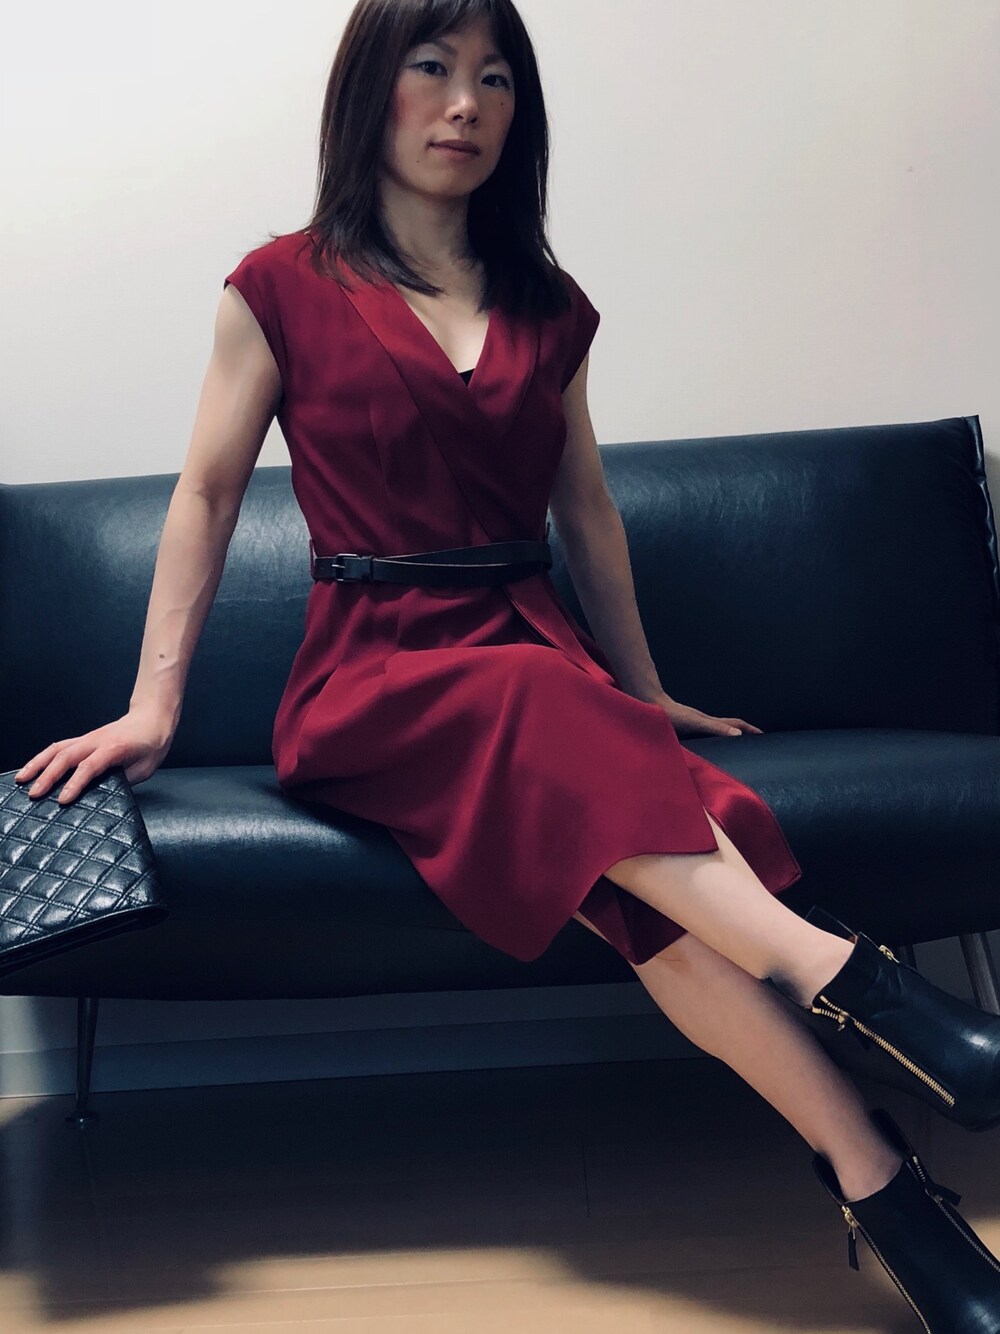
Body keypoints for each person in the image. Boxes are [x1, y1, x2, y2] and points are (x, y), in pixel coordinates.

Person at [14, 1, 1000, 1324]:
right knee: (560, 722)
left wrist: (643, 693)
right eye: (432, 67)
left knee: (646, 868)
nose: (466, 102)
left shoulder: (550, 305)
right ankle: (858, 984)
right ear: (371, 89)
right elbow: (204, 495)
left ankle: (888, 1191)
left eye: (495, 78)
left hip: (534, 660)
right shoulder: (279, 285)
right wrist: (153, 707)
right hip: (372, 678)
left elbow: (586, 513)